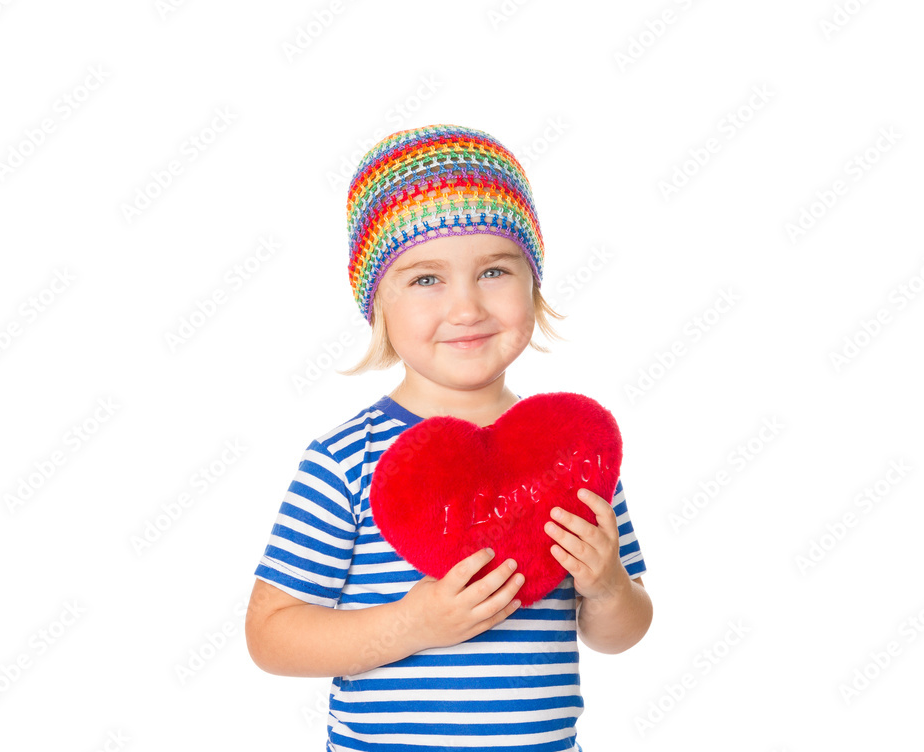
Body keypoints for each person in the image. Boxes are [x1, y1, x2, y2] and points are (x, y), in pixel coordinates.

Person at [245, 123, 652, 751]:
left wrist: (609, 587)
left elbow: (621, 632)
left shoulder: (573, 454)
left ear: (533, 282)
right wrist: (412, 624)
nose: (467, 307)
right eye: (427, 279)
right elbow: (270, 636)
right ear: (377, 300)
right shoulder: (346, 460)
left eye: (494, 270)